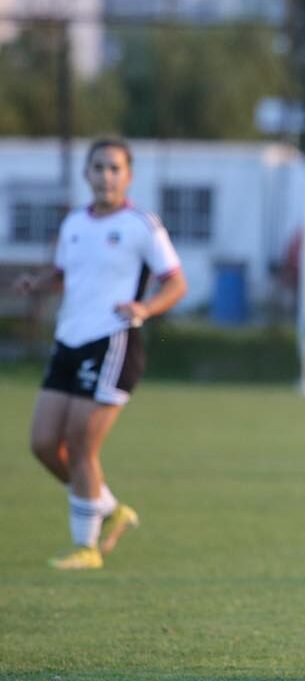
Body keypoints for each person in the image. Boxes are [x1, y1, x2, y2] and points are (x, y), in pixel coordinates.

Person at [14, 137, 188, 570]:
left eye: (114, 168)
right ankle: (110, 509)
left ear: (128, 176)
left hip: (113, 342)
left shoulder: (141, 225)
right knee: (41, 444)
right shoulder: (74, 223)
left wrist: (145, 308)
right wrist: (39, 282)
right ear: (86, 174)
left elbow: (175, 282)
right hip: (68, 341)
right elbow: (66, 273)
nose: (106, 175)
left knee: (79, 446)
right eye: (98, 167)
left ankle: (87, 547)